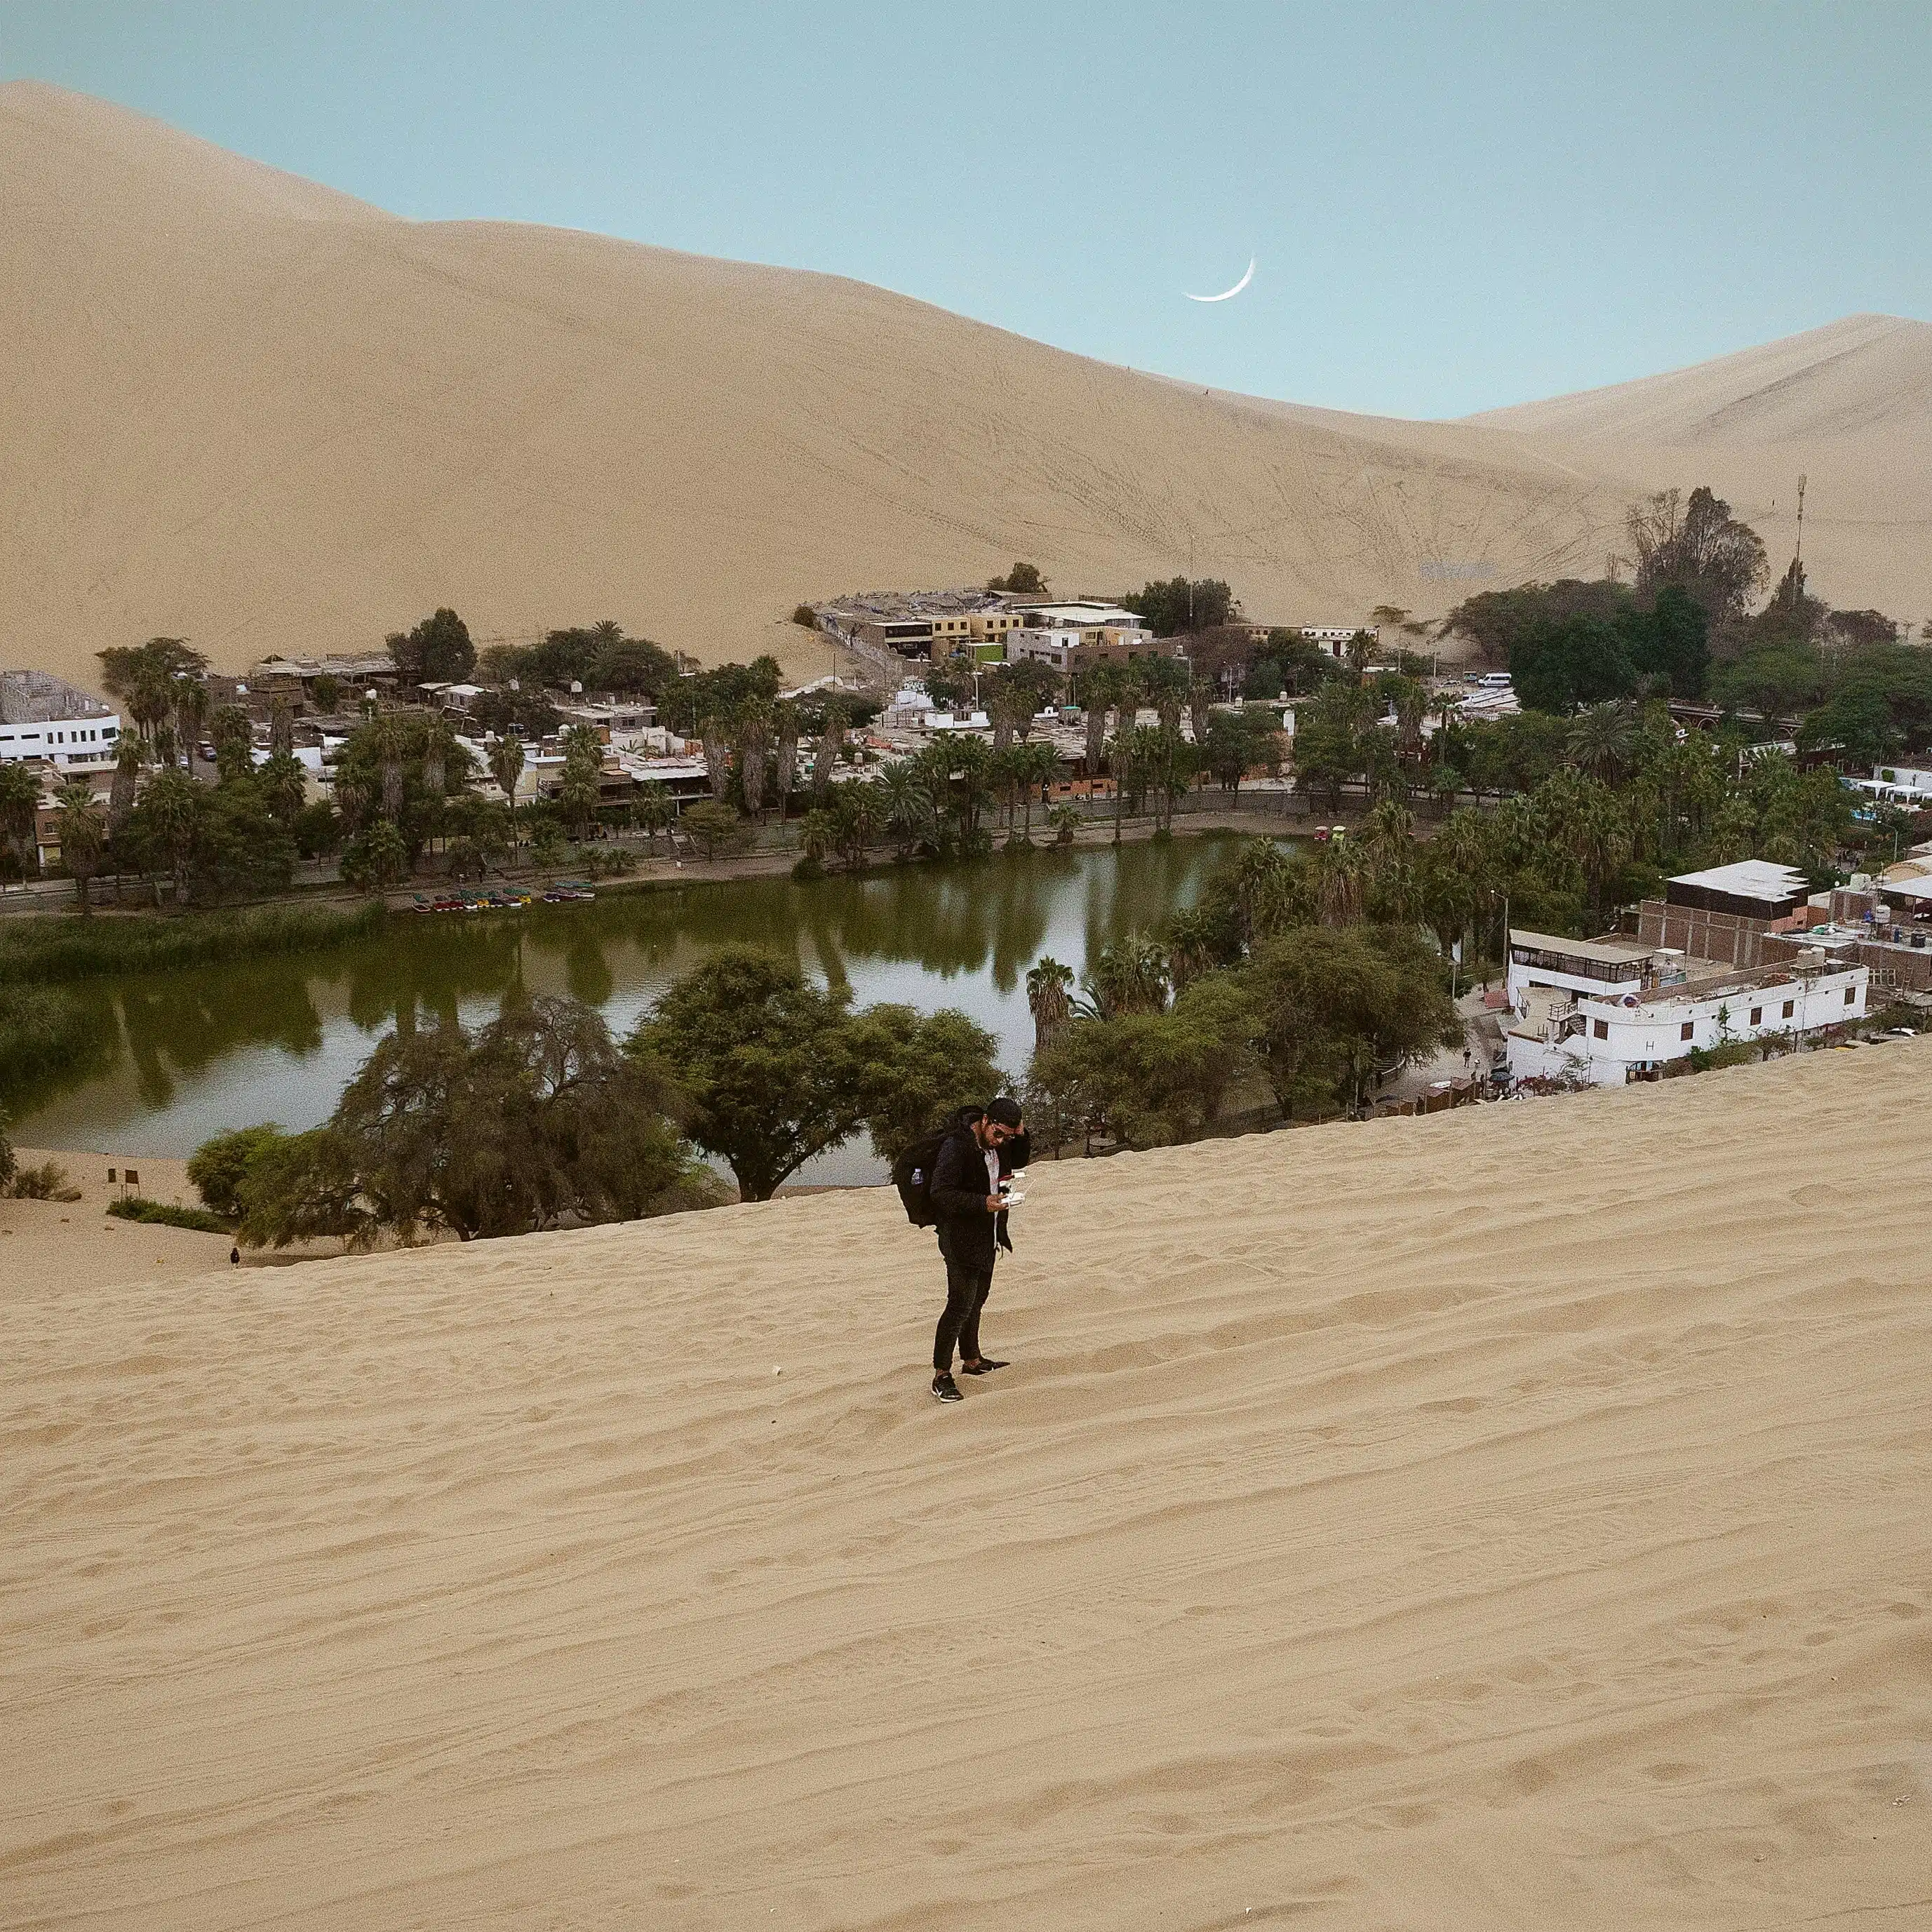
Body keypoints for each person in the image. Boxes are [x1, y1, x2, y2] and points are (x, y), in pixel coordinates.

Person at [926, 1096, 1026, 1402]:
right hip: (960, 1239)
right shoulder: (957, 1147)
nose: (1002, 1141)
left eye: (1008, 1136)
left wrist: (1021, 1133)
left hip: (989, 1235)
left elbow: (1021, 1159)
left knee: (978, 1299)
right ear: (985, 1121)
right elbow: (941, 1193)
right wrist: (982, 1203)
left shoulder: (1000, 1145)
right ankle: (941, 1374)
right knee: (959, 1305)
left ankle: (972, 1359)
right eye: (999, 1133)